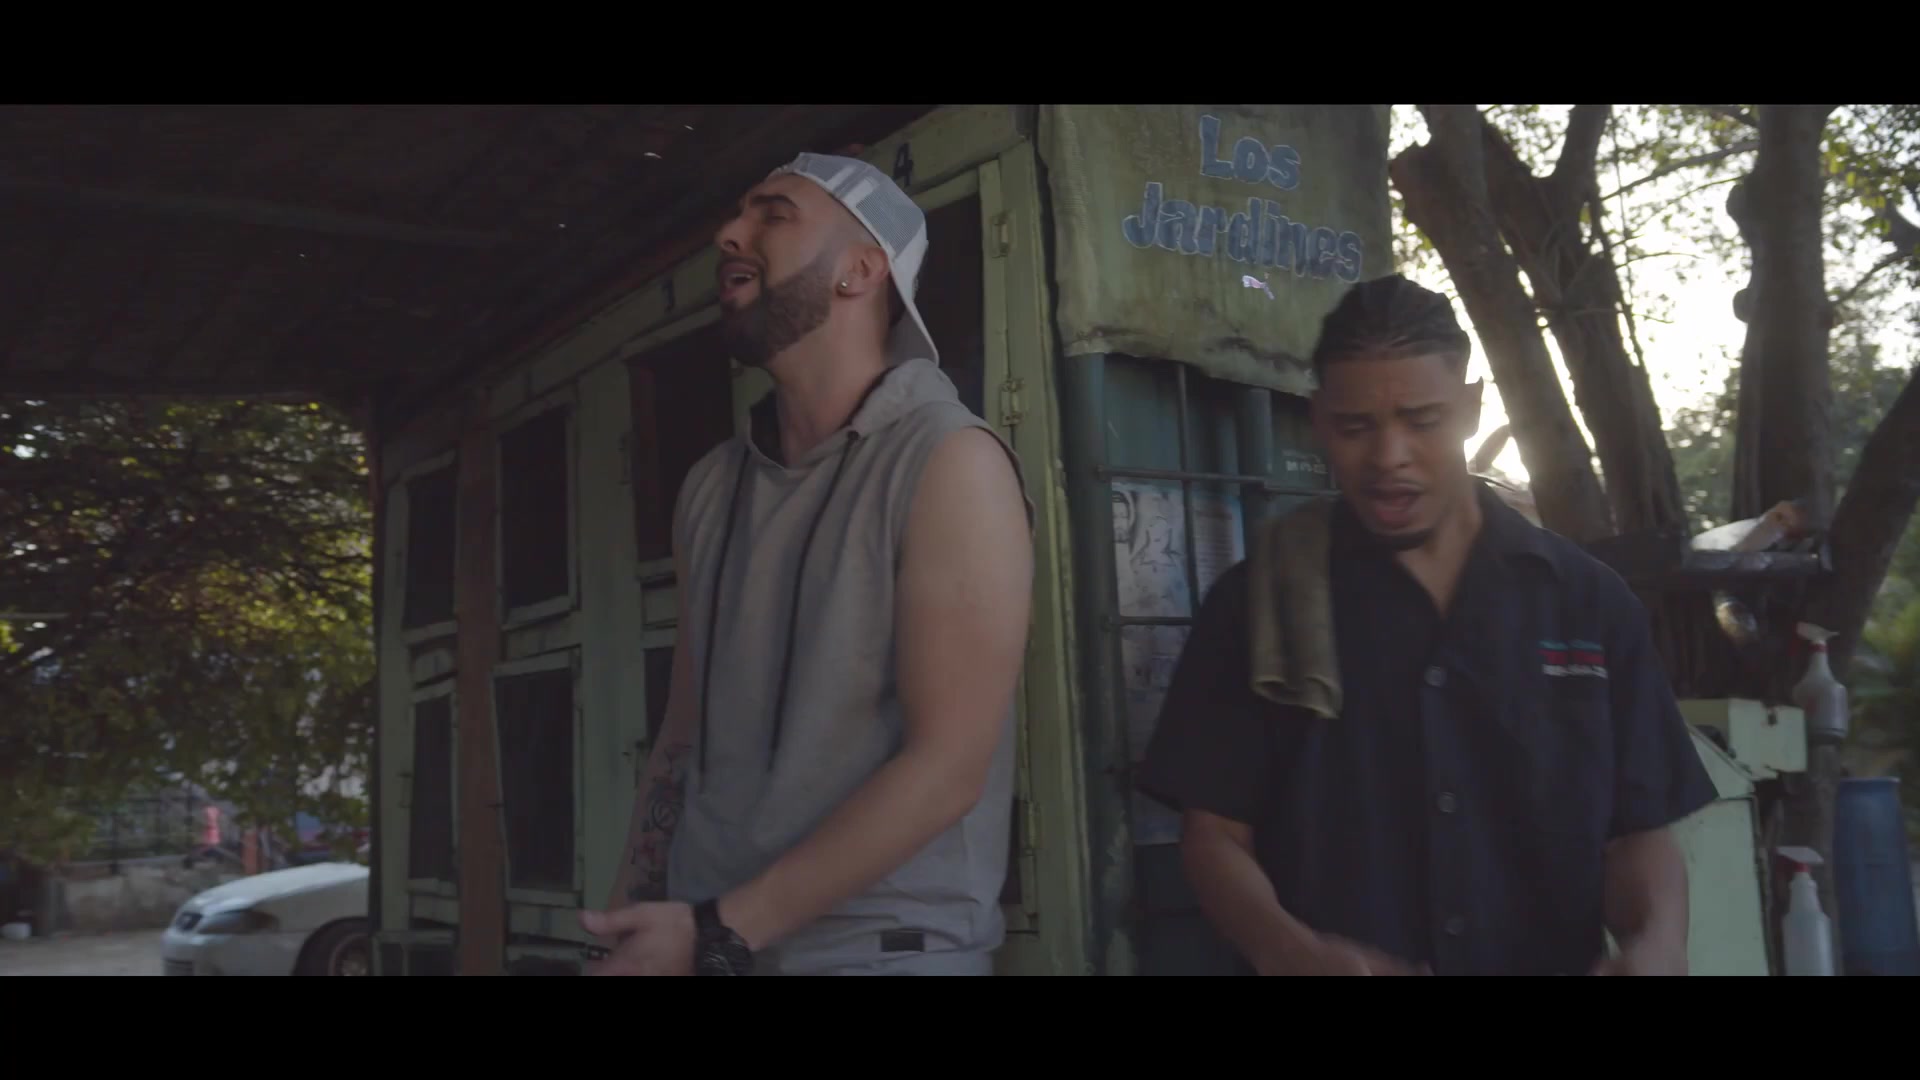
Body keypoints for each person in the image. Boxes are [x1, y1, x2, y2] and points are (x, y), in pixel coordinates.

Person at [1134, 274, 1718, 976]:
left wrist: (1658, 942)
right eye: (1356, 427)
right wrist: (1286, 949)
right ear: (1319, 421)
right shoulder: (1259, 603)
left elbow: (1638, 835)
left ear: (1471, 409)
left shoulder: (1588, 603)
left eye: (1422, 420)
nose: (1390, 457)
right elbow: (1215, 837)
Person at [580, 152, 1034, 976]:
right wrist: (620, 930)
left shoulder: (949, 462)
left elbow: (946, 769)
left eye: (773, 214)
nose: (729, 234)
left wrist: (719, 931)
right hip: (707, 939)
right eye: (737, 214)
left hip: (877, 954)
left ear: (860, 270)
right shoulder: (711, 487)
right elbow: (681, 738)